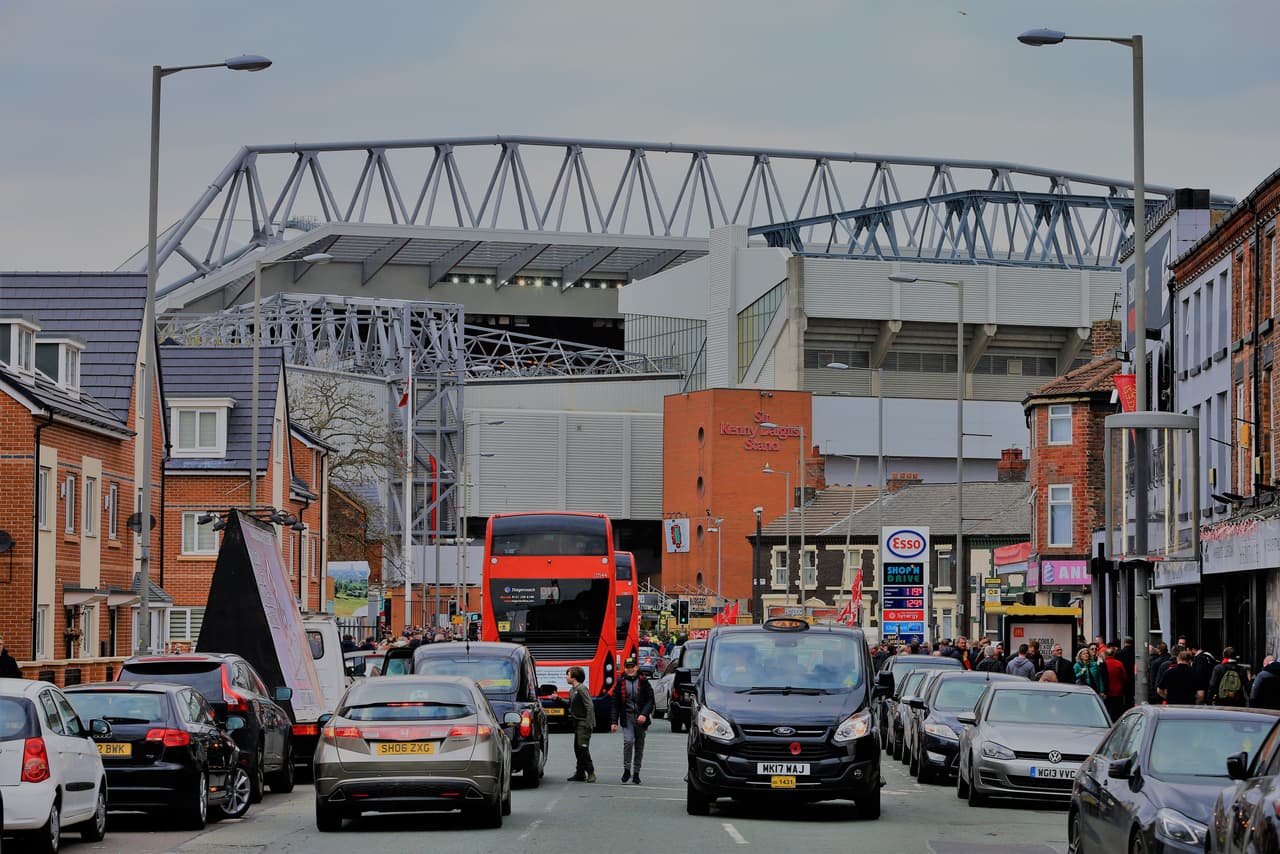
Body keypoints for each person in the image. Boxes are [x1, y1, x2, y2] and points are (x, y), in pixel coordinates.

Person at [611, 656, 654, 785]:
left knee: (639, 746)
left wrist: (644, 714)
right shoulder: (620, 682)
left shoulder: (643, 681)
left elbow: (650, 700)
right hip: (627, 717)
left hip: (640, 718)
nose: (630, 669)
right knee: (628, 741)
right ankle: (626, 770)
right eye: (627, 667)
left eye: (632, 667)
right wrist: (613, 721)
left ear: (636, 667)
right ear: (624, 668)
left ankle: (636, 773)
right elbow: (615, 702)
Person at [566, 666, 596, 782]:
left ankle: (591, 772)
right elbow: (569, 705)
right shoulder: (572, 690)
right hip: (577, 722)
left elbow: (589, 706)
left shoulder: (582, 689)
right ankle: (580, 773)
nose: (566, 677)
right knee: (577, 748)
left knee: (582, 748)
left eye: (568, 675)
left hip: (584, 722)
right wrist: (556, 699)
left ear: (574, 677)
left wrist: (589, 723)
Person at [1100, 647, 1128, 721]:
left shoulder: (1104, 664)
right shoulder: (1119, 663)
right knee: (1117, 709)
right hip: (1118, 690)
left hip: (1108, 691)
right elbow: (1124, 677)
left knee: (1108, 709)